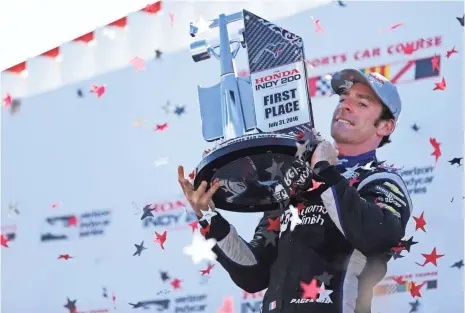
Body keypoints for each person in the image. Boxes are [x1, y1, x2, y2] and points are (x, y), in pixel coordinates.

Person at [178, 69, 413, 313]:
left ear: (385, 126)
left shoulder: (380, 180)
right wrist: (208, 217)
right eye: (343, 99)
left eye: (361, 103)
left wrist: (324, 171)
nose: (345, 106)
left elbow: (375, 236)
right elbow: (254, 274)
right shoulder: (295, 181)